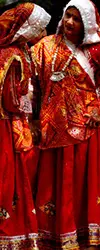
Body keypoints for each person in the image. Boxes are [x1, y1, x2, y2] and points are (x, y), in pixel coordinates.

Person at [30, 0, 100, 249]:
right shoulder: (45, 46)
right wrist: (31, 119)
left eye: (76, 18)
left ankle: (83, 239)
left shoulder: (96, 50)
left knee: (82, 188)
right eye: (67, 16)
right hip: (51, 129)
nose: (69, 22)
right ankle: (51, 238)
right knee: (51, 188)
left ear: (87, 23)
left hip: (86, 131)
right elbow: (30, 84)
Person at [0, 2, 51, 249]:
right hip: (7, 125)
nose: (41, 32)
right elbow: (11, 101)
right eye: (39, 27)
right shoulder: (14, 55)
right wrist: (28, 102)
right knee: (9, 176)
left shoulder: (16, 49)